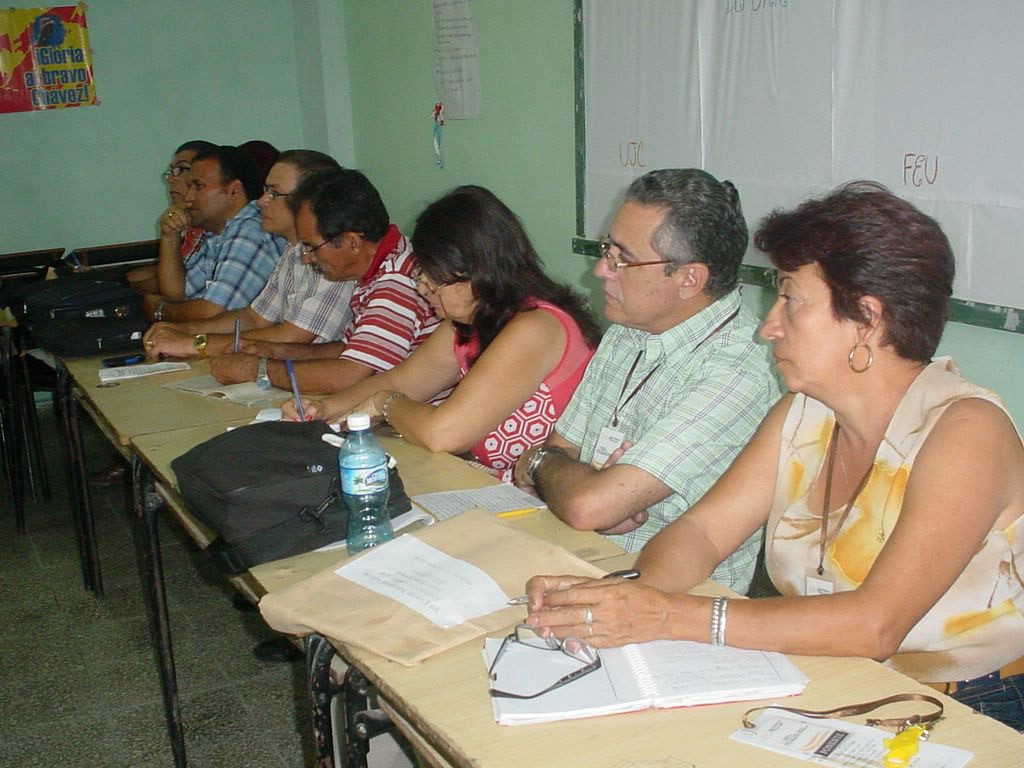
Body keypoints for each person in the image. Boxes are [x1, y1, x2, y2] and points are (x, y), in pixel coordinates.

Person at [524, 181, 1024, 731]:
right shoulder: (802, 414)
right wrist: (618, 600)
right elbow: (702, 534)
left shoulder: (966, 430)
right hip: (831, 679)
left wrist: (666, 615)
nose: (769, 326)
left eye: (791, 300)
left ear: (866, 319)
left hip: (968, 709)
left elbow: (875, 626)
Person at [514, 169, 779, 593]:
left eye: (623, 258)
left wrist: (548, 470)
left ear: (690, 278)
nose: (602, 269)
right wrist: (546, 466)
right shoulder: (630, 328)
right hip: (578, 554)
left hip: (672, 597)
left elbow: (586, 504)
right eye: (607, 250)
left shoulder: (736, 373)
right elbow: (558, 450)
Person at [284, 185, 601, 482]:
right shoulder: (473, 320)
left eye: (434, 280)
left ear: (478, 275)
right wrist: (320, 409)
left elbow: (442, 433)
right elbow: (399, 381)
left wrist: (384, 404)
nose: (424, 290)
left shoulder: (535, 328)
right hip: (487, 486)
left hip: (542, 506)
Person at [208, 168, 437, 394]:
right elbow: (350, 350)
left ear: (352, 242)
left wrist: (257, 370)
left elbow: (349, 376)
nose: (306, 258)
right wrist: (273, 351)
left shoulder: (396, 283)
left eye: (311, 246)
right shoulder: (383, 264)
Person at [141, 150, 355, 359]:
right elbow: (254, 317)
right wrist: (184, 331)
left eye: (274, 193)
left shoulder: (335, 254)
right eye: (264, 191)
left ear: (312, 200)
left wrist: (194, 343)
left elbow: (292, 336)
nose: (261, 201)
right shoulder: (294, 250)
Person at [142, 144, 287, 322]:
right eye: (189, 187)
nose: (188, 197)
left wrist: (161, 311)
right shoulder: (216, 232)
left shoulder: (250, 231)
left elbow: (214, 312)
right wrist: (169, 235)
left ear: (234, 190)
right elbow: (176, 294)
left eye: (198, 186)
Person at [127, 140, 215, 295]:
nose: (170, 179)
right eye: (172, 171)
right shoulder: (189, 220)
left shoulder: (215, 225)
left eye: (182, 169)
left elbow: (177, 291)